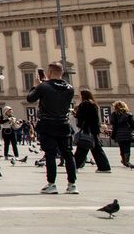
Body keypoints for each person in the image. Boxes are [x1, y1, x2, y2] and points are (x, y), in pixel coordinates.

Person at [26, 63, 77, 195]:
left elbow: (30, 98)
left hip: (48, 124)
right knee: (68, 153)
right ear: (62, 72)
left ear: (49, 72)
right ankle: (72, 185)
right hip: (64, 124)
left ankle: (52, 184)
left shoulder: (43, 86)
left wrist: (35, 86)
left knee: (50, 154)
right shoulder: (70, 88)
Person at [72, 88, 110, 173]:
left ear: (83, 96)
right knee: (96, 149)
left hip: (86, 129)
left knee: (82, 148)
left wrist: (75, 114)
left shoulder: (84, 104)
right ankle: (104, 167)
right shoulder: (94, 104)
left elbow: (81, 117)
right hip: (94, 130)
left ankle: (73, 166)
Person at [109, 101, 132, 168]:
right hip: (127, 134)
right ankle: (127, 161)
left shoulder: (114, 115)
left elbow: (113, 123)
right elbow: (133, 124)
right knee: (127, 148)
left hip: (118, 134)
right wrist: (129, 129)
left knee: (121, 148)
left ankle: (124, 161)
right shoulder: (128, 114)